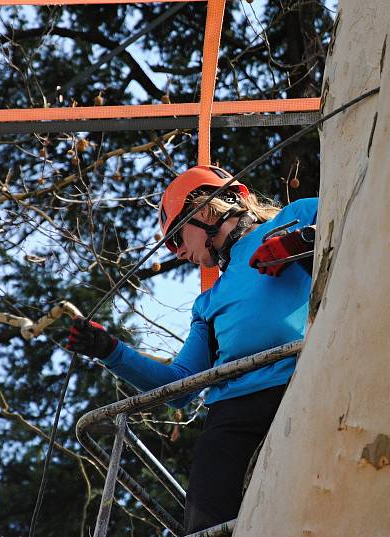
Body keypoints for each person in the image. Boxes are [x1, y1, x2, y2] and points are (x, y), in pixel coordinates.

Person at [67, 165, 317, 534]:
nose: (179, 252)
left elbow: (359, 227)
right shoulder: (207, 303)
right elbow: (180, 386)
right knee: (206, 521)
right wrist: (110, 351)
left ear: (203, 212)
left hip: (309, 382)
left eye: (176, 239)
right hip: (233, 418)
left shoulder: (298, 216)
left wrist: (303, 245)